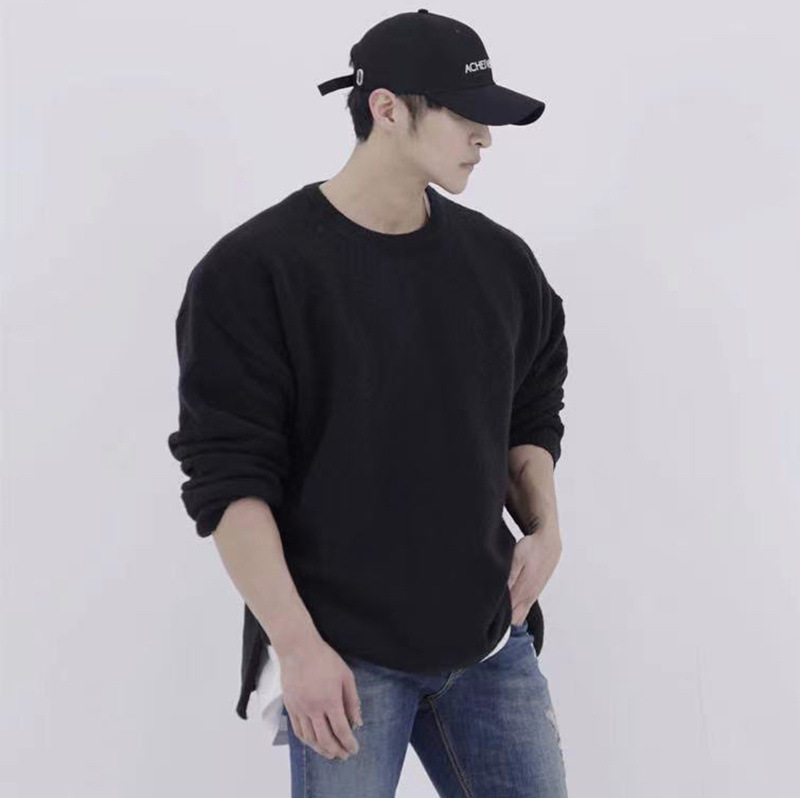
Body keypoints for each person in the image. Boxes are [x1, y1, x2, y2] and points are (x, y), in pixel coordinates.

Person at [167, 9, 569, 797]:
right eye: (465, 114)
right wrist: (297, 648)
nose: (486, 137)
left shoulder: (500, 263)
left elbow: (531, 405)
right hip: (341, 656)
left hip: (490, 646)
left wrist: (546, 529)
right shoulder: (253, 273)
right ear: (386, 108)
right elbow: (228, 478)